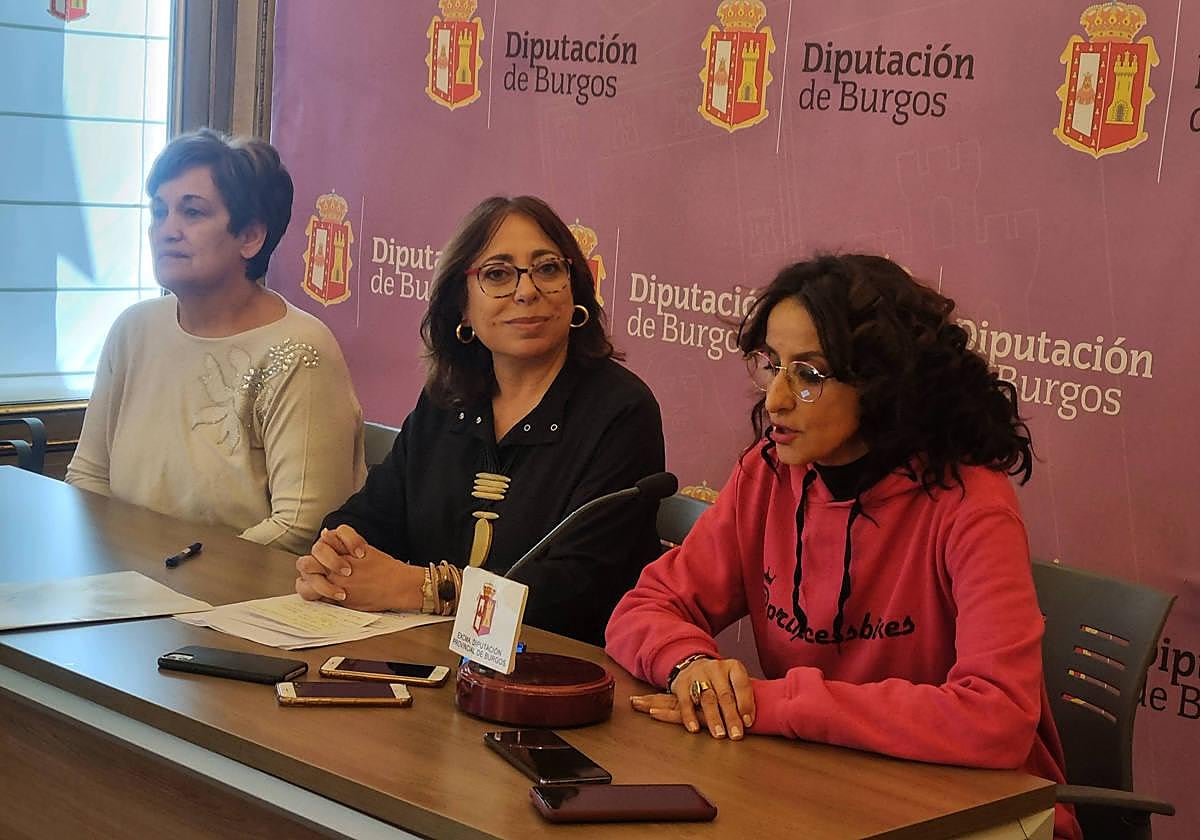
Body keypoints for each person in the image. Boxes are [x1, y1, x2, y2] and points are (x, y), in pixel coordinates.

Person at [605, 255, 1080, 840]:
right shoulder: (768, 474)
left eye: (809, 374)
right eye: (772, 365)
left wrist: (768, 704)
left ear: (882, 384)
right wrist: (691, 667)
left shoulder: (972, 503)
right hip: (820, 789)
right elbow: (645, 608)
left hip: (981, 815)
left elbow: (997, 718)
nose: (776, 399)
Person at [295, 196, 665, 646]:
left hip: (556, 667)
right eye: (497, 274)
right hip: (428, 654)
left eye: (548, 269)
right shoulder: (446, 398)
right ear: (462, 306)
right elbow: (370, 516)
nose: (527, 291)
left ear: (576, 291)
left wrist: (421, 589)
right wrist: (336, 558)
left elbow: (577, 592)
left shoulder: (622, 411)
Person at [67, 129, 365, 556]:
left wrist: (178, 569)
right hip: (128, 578)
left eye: (192, 212)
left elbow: (302, 526)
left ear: (250, 237)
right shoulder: (134, 329)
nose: (166, 230)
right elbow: (88, 477)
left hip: (246, 589)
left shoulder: (300, 350)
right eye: (159, 211)